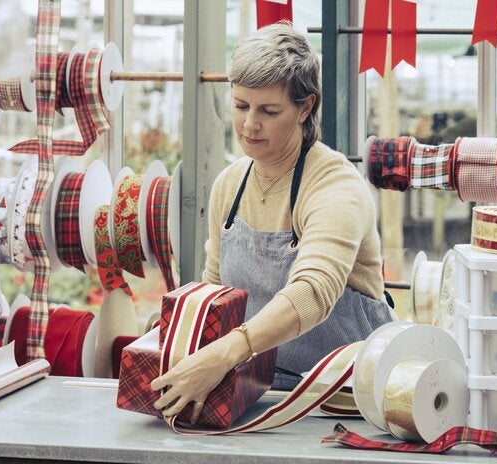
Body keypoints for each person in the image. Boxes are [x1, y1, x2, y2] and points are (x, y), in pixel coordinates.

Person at [151, 22, 392, 422]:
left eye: (269, 111)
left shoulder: (335, 186)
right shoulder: (230, 186)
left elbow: (313, 292)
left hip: (346, 399)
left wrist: (226, 352)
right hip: (256, 394)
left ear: (306, 107)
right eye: (241, 106)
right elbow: (214, 291)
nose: (249, 125)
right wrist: (180, 344)